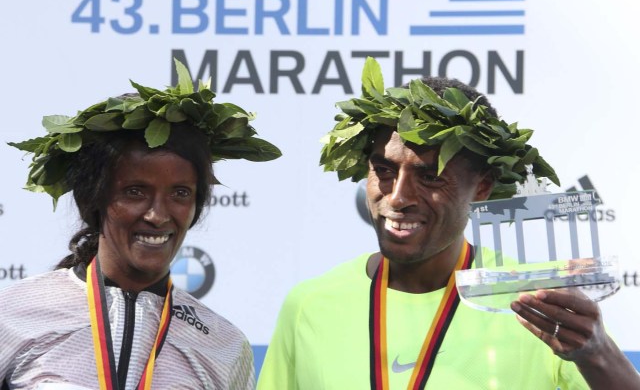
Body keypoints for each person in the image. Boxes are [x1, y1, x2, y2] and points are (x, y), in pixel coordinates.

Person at [257, 57, 640, 389]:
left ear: (483, 187)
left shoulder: (533, 301)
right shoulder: (308, 305)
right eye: (384, 170)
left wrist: (597, 353)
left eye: (429, 176)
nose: (398, 197)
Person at [0, 60, 281, 389]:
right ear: (94, 197)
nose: (158, 215)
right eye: (135, 192)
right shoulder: (14, 313)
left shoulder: (224, 346)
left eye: (180, 193)